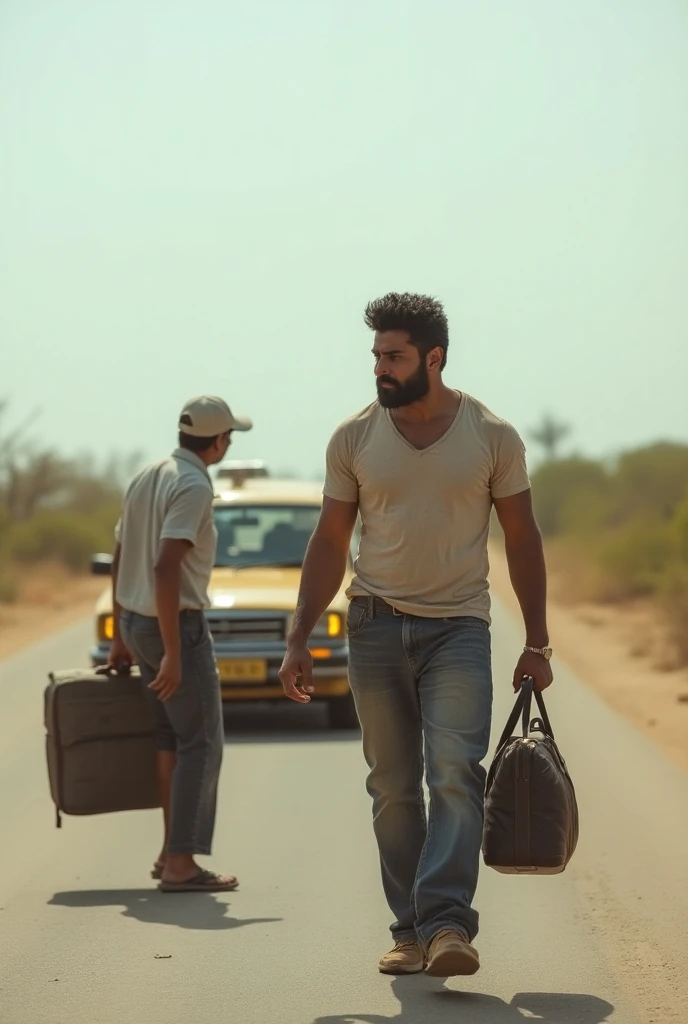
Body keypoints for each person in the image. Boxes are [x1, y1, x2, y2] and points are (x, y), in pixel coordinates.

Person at [279, 293, 553, 976]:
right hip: (372, 625)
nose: (380, 367)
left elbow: (521, 538)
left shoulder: (493, 436)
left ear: (433, 357)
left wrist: (538, 641)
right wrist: (298, 637)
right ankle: (410, 931)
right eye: (376, 355)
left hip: (458, 627)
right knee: (393, 785)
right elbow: (330, 539)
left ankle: (448, 924)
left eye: (394, 355)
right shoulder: (354, 437)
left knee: (455, 774)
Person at [108, 395, 252, 892]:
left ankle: (169, 850)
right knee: (201, 742)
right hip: (174, 629)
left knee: (171, 737)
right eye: (229, 437)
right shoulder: (192, 484)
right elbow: (165, 566)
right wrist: (173, 649)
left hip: (136, 622)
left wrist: (120, 633)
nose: (229, 444)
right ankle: (181, 864)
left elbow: (121, 551)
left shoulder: (150, 473)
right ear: (216, 441)